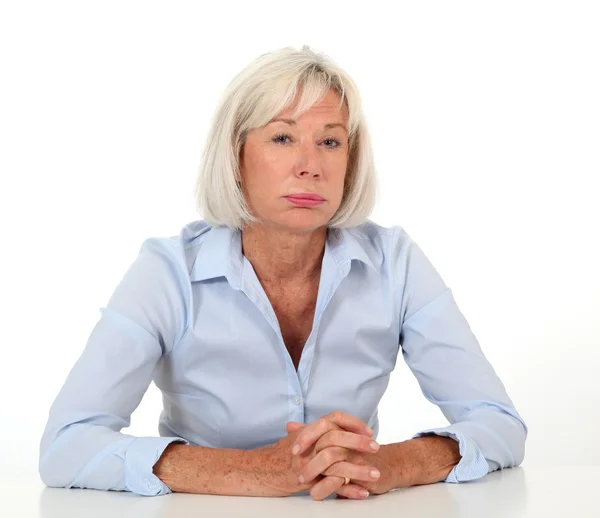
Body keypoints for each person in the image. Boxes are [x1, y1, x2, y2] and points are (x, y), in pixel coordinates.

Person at [39, 45, 528, 502]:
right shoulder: (168, 272)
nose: (309, 165)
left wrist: (387, 465)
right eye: (282, 137)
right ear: (236, 157)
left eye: (330, 142)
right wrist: (251, 471)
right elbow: (67, 445)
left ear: (349, 162)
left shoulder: (395, 261)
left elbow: (499, 424)